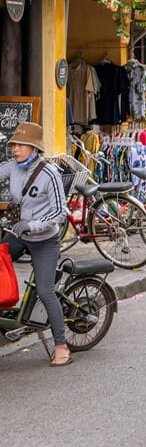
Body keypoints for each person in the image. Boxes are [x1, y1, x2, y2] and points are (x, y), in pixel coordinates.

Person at [0, 122, 70, 366]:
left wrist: (33, 225)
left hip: (44, 239)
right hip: (19, 233)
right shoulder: (13, 167)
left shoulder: (49, 173)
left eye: (20, 145)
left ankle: (61, 345)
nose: (15, 149)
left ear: (33, 147)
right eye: (13, 145)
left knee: (45, 291)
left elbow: (61, 212)